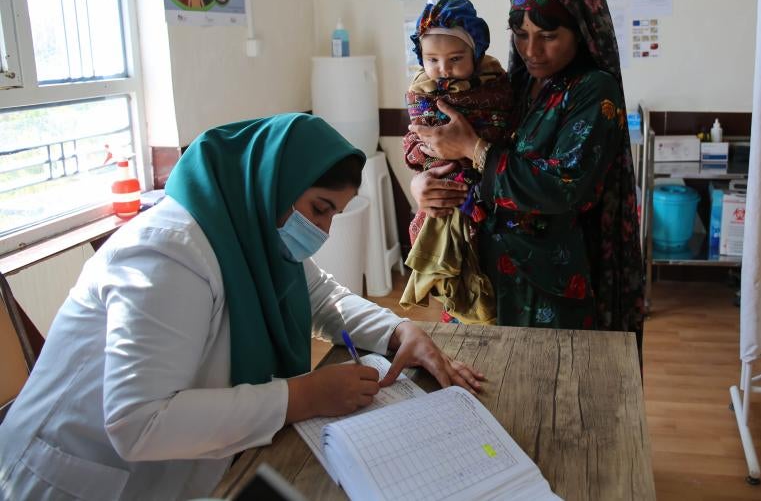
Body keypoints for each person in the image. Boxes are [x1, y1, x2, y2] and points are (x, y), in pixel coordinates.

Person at [0, 113, 484, 500]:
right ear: (272, 182)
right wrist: (302, 396)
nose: (324, 232)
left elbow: (324, 297)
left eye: (334, 214)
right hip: (70, 476)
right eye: (319, 208)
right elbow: (137, 420)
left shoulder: (254, 233)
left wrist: (400, 331)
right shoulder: (167, 253)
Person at [408, 0, 645, 337]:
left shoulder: (592, 91)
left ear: (580, 32)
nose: (531, 50)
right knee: (474, 383)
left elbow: (564, 186)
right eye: (520, 34)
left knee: (541, 387)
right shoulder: (510, 85)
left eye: (548, 35)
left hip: (544, 280)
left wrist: (473, 147)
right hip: (476, 270)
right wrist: (423, 186)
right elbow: (440, 147)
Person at [399, 0, 513, 325]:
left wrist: (469, 149)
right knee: (458, 291)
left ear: (476, 53)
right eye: (432, 59)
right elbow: (414, 139)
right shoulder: (423, 92)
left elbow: (504, 132)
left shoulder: (498, 87)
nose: (443, 69)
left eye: (455, 58)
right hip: (442, 189)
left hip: (493, 204)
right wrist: (424, 157)